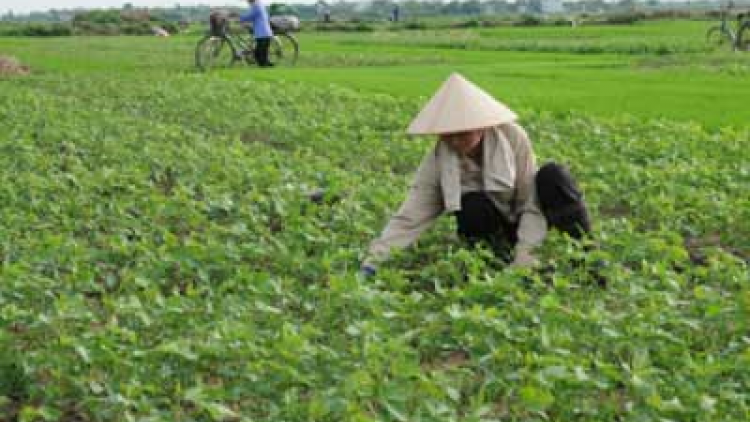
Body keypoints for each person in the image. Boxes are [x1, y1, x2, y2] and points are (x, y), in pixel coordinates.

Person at [361, 73, 590, 276]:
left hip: (522, 216)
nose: (455, 141)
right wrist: (374, 260)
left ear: (482, 125)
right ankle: (491, 263)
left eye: (462, 133)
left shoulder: (513, 138)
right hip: (492, 223)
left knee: (553, 175)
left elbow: (530, 202)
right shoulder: (439, 157)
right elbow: (413, 212)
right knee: (471, 204)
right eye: (448, 135)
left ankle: (587, 258)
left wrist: (526, 254)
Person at [240, 0, 274, 67]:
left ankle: (263, 64)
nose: (247, 2)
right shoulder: (259, 4)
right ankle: (265, 62)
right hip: (265, 30)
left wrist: (240, 17)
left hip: (261, 31)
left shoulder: (256, 5)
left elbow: (250, 16)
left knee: (260, 50)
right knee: (263, 49)